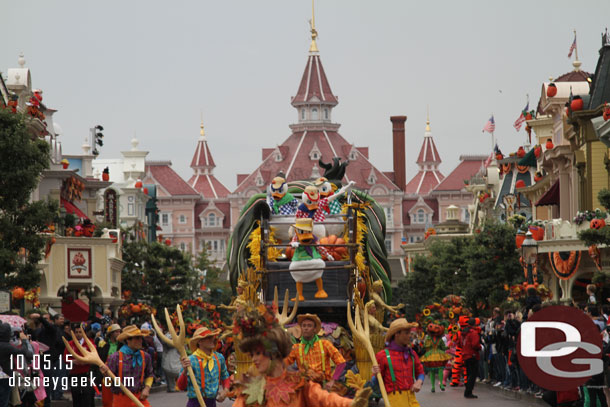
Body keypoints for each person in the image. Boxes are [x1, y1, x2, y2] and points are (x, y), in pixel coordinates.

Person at [231, 307, 371, 407]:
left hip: (323, 385)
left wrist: (348, 400)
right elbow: (285, 361)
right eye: (252, 354)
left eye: (258, 353)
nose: (254, 359)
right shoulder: (250, 389)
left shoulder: (300, 384)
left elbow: (325, 399)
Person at [372, 318, 425, 407]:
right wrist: (375, 374)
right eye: (406, 333)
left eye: (410, 333)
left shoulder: (411, 353)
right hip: (394, 401)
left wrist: (419, 382)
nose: (410, 336)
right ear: (397, 334)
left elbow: (420, 372)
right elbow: (375, 384)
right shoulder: (383, 355)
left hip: (411, 399)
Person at [285, 314, 346, 389]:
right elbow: (283, 364)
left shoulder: (325, 344)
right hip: (304, 386)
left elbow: (341, 362)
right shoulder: (296, 348)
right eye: (304, 326)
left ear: (315, 329)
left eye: (309, 326)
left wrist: (333, 381)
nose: (306, 328)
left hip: (322, 386)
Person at [100, 325, 154, 407]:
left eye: (140, 338)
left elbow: (149, 374)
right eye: (137, 338)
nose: (140, 341)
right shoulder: (115, 358)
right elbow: (107, 384)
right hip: (121, 400)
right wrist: (105, 376)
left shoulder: (145, 356)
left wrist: (147, 389)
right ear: (128, 340)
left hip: (139, 398)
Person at [177, 327, 229, 407]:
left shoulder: (219, 358)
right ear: (200, 341)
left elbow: (225, 376)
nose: (212, 339)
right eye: (208, 338)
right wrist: (185, 371)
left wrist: (225, 391)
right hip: (195, 403)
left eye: (212, 337)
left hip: (212, 403)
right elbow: (181, 386)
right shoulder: (191, 360)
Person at [0, 322, 34, 407]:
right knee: (4, 400)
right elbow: (23, 352)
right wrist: (24, 340)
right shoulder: (6, 346)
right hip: (6, 375)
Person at [63, 323, 95, 407]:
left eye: (80, 332)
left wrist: (86, 361)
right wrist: (73, 361)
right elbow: (65, 358)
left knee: (87, 395)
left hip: (86, 373)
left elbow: (95, 357)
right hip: (74, 373)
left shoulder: (89, 343)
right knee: (76, 395)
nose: (78, 334)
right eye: (76, 332)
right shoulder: (70, 344)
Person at [98, 324, 121, 407]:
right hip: (107, 375)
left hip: (119, 374)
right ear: (111, 333)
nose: (118, 333)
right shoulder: (103, 344)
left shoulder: (122, 345)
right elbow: (99, 359)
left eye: (119, 332)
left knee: (119, 399)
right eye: (116, 332)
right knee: (107, 400)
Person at [462, 318, 481, 399]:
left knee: (469, 374)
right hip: (472, 355)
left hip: (465, 354)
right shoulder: (473, 332)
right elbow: (475, 344)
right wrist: (480, 347)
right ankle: (468, 391)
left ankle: (467, 391)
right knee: (473, 375)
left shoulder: (464, 332)